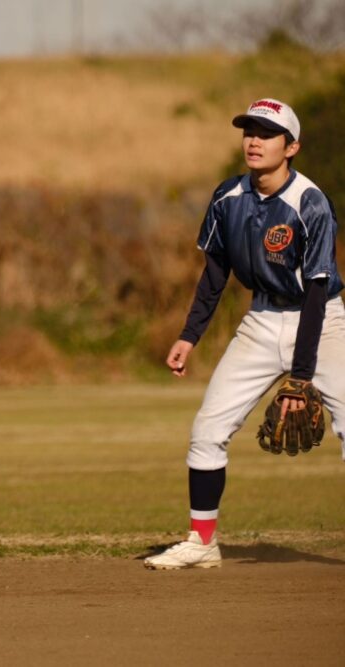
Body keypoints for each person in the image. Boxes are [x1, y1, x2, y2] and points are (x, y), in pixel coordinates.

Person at [144, 98, 345, 570]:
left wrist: (301, 376)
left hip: (321, 321)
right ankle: (202, 541)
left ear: (291, 146)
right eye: (248, 130)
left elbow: (316, 293)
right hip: (260, 321)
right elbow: (214, 275)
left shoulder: (309, 203)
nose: (253, 140)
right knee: (207, 430)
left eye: (267, 133)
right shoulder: (227, 197)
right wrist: (189, 336)